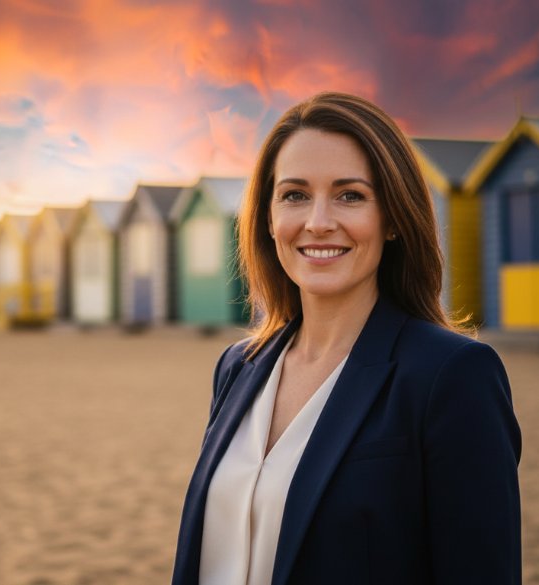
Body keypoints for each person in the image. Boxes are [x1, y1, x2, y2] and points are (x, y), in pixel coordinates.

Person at [172, 92, 521, 585]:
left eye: (350, 195)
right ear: (268, 218)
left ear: (394, 217)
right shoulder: (238, 366)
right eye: (294, 195)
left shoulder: (453, 375)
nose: (317, 222)